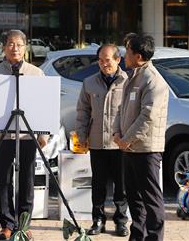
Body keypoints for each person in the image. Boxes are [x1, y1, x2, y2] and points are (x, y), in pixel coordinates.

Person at [0, 29, 48, 241]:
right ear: (3, 47)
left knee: (26, 180)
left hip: (27, 137)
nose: (14, 48)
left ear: (25, 47)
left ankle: (24, 224)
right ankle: (7, 224)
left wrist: (44, 132)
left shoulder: (37, 73)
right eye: (10, 44)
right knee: (3, 180)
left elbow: (44, 105)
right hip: (2, 136)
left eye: (19, 44)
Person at [113, 34, 168, 241]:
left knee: (151, 198)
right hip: (129, 147)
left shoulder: (153, 80)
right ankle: (137, 236)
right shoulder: (133, 76)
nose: (124, 55)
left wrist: (127, 138)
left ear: (138, 55)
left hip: (146, 149)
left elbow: (148, 116)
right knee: (134, 197)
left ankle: (154, 237)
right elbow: (121, 109)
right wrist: (117, 133)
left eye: (127, 51)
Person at [75, 44, 129, 237]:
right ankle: (98, 220)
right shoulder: (89, 82)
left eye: (108, 60)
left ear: (117, 60)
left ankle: (121, 222)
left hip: (121, 144)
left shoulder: (128, 82)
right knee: (98, 186)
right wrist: (81, 134)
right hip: (97, 142)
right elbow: (83, 111)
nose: (104, 64)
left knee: (121, 186)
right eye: (100, 60)